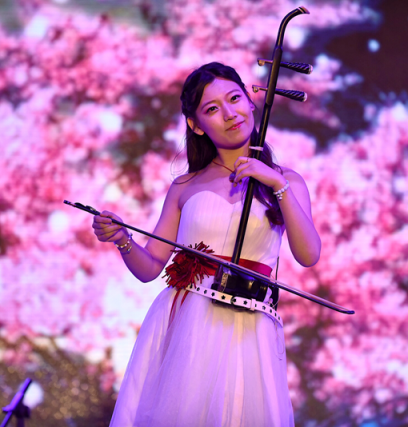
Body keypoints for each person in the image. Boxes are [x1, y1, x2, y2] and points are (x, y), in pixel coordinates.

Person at [92, 62, 321, 427]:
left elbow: (308, 254)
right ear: (196, 125)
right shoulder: (185, 186)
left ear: (251, 101)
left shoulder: (286, 181)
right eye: (212, 109)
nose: (230, 113)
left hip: (249, 326)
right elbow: (151, 267)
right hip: (189, 323)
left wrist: (277, 185)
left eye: (235, 99)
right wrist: (123, 240)